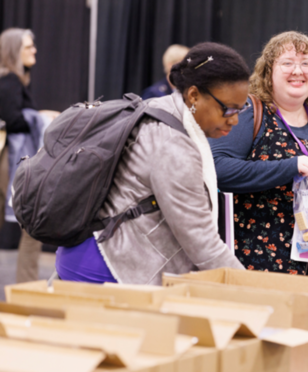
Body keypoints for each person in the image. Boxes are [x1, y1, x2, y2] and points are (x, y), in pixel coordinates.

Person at [55, 42, 249, 284]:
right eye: (228, 110)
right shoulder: (173, 146)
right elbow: (201, 242)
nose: (235, 120)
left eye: (242, 109)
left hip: (89, 253)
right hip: (106, 268)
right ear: (194, 95)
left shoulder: (157, 109)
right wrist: (256, 292)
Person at [210, 31, 308, 277]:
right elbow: (215, 169)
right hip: (262, 264)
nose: (298, 71)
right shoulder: (250, 114)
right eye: (287, 63)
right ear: (269, 72)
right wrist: (290, 167)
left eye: (306, 63)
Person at [0, 28, 59, 283]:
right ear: (14, 52)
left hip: (10, 160)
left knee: (31, 226)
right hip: (9, 162)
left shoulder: (11, 81)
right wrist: (41, 116)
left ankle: (27, 286)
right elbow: (12, 120)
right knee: (32, 224)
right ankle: (27, 287)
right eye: (28, 47)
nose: (34, 50)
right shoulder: (9, 81)